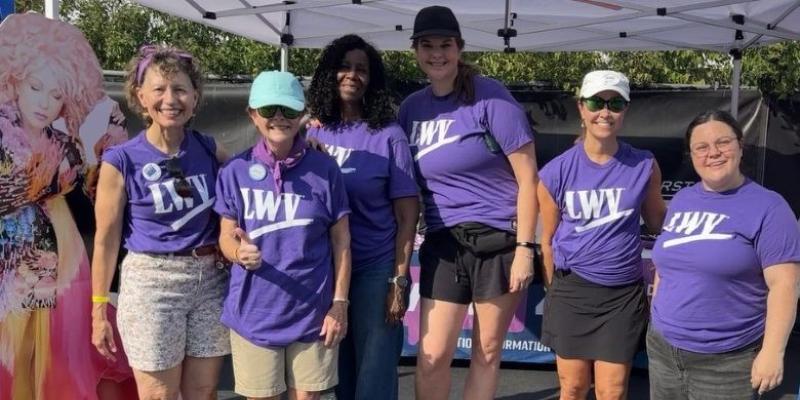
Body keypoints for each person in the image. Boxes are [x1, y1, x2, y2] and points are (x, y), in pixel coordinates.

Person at [398, 6, 539, 400]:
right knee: (431, 354)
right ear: (415, 50)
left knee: (487, 351)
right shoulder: (411, 108)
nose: (436, 54)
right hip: (444, 245)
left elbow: (529, 178)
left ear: (460, 48)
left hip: (500, 242)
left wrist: (527, 248)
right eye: (427, 45)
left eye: (445, 45)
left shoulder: (490, 96)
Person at [0, 13, 135, 399]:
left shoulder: (68, 147)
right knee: (11, 354)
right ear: (15, 80)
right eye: (36, 87)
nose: (44, 103)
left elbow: (100, 191)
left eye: (56, 94)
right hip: (9, 260)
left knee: (45, 355)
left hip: (55, 258)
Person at [91, 44, 230, 400]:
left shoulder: (209, 149)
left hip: (210, 279)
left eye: (180, 89)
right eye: (159, 89)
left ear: (195, 97)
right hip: (151, 283)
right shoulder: (120, 160)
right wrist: (98, 308)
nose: (171, 99)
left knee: (204, 391)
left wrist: (308, 145)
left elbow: (258, 170)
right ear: (140, 96)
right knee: (158, 395)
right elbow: (105, 241)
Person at [215, 70, 351, 400]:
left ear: (302, 113)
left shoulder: (325, 169)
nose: (279, 118)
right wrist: (238, 254)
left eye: (289, 110)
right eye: (269, 110)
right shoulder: (235, 170)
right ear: (252, 115)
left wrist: (339, 305)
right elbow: (224, 237)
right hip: (254, 315)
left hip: (312, 315)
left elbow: (341, 241)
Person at [648, 110, 800, 400]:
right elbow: (666, 267)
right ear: (691, 155)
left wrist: (772, 351)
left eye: (723, 142)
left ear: (741, 146)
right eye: (701, 147)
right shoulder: (682, 200)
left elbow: (785, 285)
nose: (713, 153)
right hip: (664, 350)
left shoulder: (769, 207)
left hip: (728, 363)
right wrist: (658, 318)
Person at [537, 70, 666, 400]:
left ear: (625, 111)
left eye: (615, 104)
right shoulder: (555, 171)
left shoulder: (644, 165)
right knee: (574, 388)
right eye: (596, 102)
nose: (605, 112)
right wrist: (557, 291)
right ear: (581, 108)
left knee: (612, 391)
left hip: (622, 295)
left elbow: (658, 224)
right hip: (572, 292)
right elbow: (547, 241)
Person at [306, 34, 419, 400]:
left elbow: (407, 216)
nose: (352, 75)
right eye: (344, 66)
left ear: (372, 79)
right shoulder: (309, 131)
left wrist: (399, 281)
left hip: (374, 268)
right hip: (324, 271)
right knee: (337, 373)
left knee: (374, 376)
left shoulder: (388, 135)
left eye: (361, 69)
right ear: (329, 73)